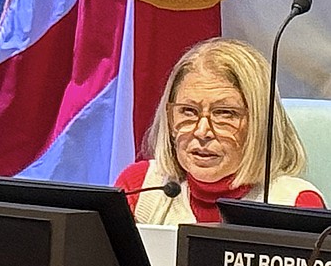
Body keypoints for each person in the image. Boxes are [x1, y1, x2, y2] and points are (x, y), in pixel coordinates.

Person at [116, 37, 325, 224]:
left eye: (224, 113)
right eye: (188, 111)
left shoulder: (295, 203)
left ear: (260, 124)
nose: (202, 131)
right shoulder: (140, 187)